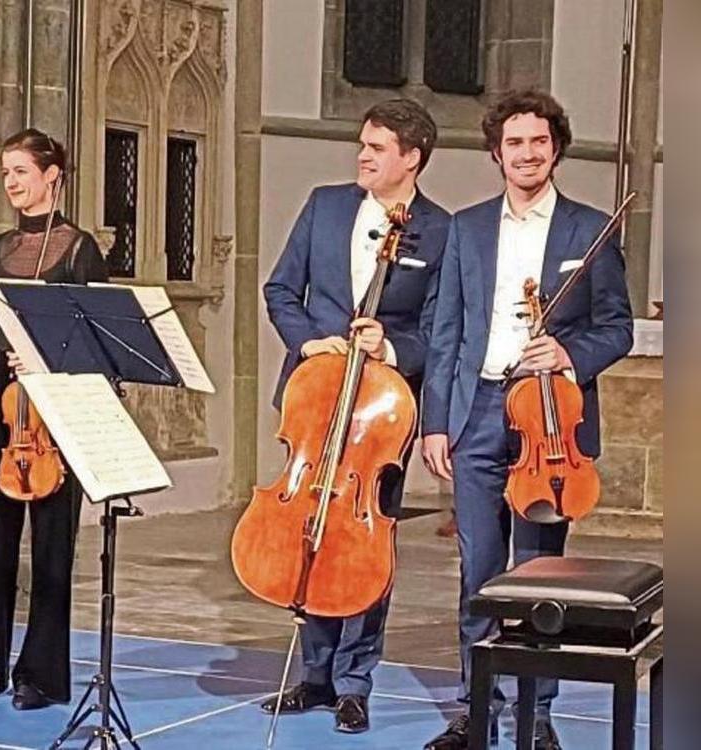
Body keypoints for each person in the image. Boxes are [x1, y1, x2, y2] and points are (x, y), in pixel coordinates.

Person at [420, 89, 633, 750]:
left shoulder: (589, 228)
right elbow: (446, 331)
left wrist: (569, 353)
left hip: (550, 421)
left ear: (556, 148)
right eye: (515, 143)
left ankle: (537, 716)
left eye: (539, 142)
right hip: (480, 410)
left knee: (542, 576)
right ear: (496, 153)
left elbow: (617, 327)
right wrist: (435, 423)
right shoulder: (467, 227)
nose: (527, 154)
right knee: (478, 571)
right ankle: (477, 708)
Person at [261, 98, 450, 734]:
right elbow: (281, 290)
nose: (363, 156)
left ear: (412, 158)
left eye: (377, 148)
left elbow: (439, 330)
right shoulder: (325, 204)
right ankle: (313, 676)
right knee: (309, 527)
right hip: (315, 401)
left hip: (381, 417)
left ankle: (354, 680)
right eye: (362, 145)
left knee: (368, 543)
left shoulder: (442, 230)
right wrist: (310, 342)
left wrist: (391, 348)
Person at [0, 128, 108, 710]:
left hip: (54, 407)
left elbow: (95, 341)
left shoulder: (82, 249)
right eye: (6, 172)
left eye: (21, 172)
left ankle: (40, 674)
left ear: (52, 174)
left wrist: (46, 356)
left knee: (51, 545)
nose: (11, 183)